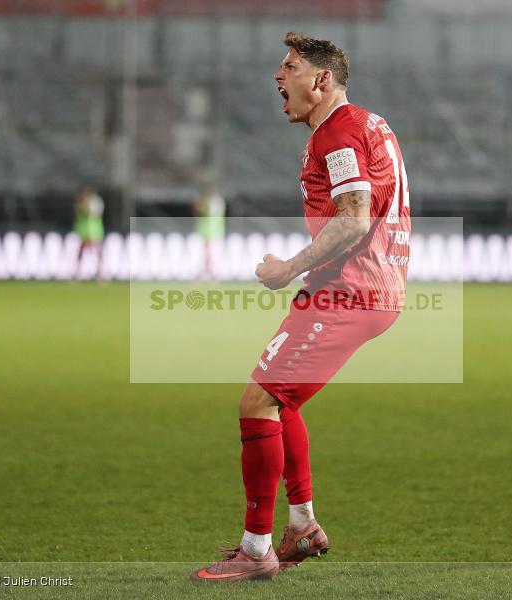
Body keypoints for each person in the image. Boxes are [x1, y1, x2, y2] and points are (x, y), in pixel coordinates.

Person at [190, 31, 411, 582]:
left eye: (288, 67)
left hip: (351, 288)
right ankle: (303, 526)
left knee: (257, 401)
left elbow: (356, 216)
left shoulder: (337, 134)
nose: (277, 76)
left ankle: (256, 550)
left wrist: (288, 268)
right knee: (283, 402)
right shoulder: (364, 123)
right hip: (362, 286)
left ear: (321, 79)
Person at [192, 184, 226, 280]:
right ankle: (207, 274)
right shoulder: (214, 201)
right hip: (209, 231)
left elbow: (200, 210)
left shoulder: (213, 201)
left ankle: (210, 274)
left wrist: (199, 204)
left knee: (210, 254)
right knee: (207, 255)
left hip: (212, 231)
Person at [73, 186, 105, 280]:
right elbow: (78, 212)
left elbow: (93, 213)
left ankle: (101, 273)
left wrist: (84, 206)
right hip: (84, 231)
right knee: (81, 252)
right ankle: (77, 273)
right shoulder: (81, 202)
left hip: (95, 231)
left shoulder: (96, 202)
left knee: (97, 252)